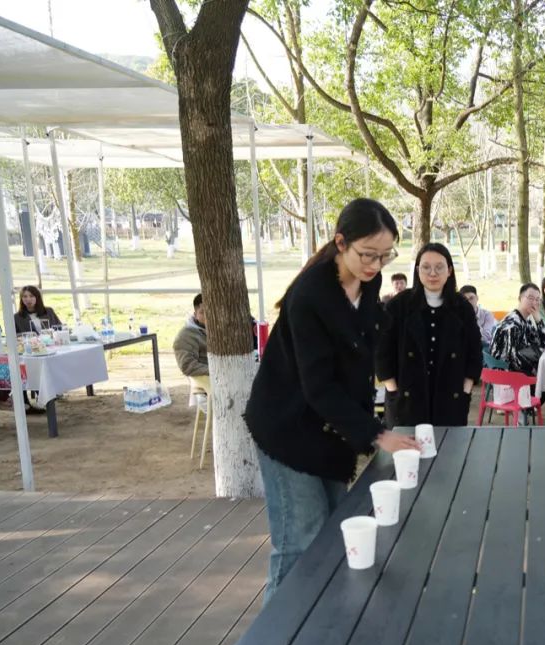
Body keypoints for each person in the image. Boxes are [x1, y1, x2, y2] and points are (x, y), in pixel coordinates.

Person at [244, 198, 420, 602]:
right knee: (299, 541)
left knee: (333, 532)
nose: (375, 265)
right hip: (287, 429)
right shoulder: (310, 296)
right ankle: (275, 637)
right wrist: (378, 434)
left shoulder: (368, 280)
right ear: (341, 242)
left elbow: (363, 340)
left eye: (385, 255)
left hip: (331, 427)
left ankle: (319, 625)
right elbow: (318, 385)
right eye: (367, 254)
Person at [377, 243, 482, 428]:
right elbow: (382, 351)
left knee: (449, 445)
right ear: (417, 270)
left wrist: (465, 390)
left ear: (449, 271)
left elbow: (475, 352)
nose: (433, 273)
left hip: (451, 400)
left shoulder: (462, 307)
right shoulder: (398, 305)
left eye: (439, 267)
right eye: (426, 267)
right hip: (406, 400)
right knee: (407, 446)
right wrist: (393, 390)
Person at [489, 283, 545, 376]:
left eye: (537, 299)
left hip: (518, 367)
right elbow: (513, 360)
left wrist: (539, 321)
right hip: (506, 374)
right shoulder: (512, 325)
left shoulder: (525, 319)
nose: (534, 302)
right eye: (530, 298)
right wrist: (536, 372)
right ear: (520, 298)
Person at [173, 293, 209, 380]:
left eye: (211, 311)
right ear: (195, 315)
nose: (208, 316)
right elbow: (188, 366)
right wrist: (218, 371)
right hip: (207, 380)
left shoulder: (226, 329)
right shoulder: (186, 335)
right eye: (202, 312)